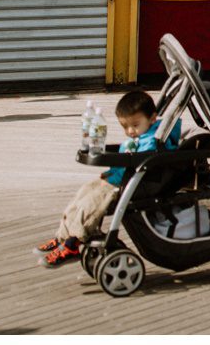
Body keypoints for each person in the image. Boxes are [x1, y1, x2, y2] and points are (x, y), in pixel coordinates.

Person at [36, 88, 179, 267]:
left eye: (135, 125)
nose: (130, 131)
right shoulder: (141, 137)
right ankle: (63, 236)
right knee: (83, 193)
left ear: (152, 118)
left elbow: (137, 161)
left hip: (131, 184)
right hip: (118, 178)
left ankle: (74, 242)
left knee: (92, 203)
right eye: (125, 127)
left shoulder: (152, 142)